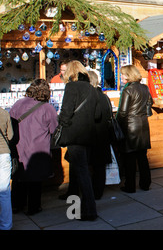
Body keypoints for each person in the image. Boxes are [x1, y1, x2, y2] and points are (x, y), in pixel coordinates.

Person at [58, 60, 100, 221]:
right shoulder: (91, 88)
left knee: (81, 173)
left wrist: (64, 123)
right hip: (88, 134)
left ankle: (89, 211)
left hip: (74, 135)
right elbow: (96, 115)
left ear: (70, 72)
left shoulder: (71, 87)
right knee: (81, 171)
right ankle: (76, 206)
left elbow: (66, 112)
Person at [9, 79, 58, 215]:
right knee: (35, 181)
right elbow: (54, 129)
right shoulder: (47, 108)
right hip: (38, 149)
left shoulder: (18, 103)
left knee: (20, 178)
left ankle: (17, 205)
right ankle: (33, 207)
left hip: (20, 147)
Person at [116, 65, 152, 193]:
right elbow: (149, 108)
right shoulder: (144, 88)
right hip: (143, 125)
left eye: (123, 74)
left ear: (128, 75)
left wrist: (116, 124)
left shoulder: (128, 90)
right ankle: (145, 183)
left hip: (131, 127)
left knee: (129, 158)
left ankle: (130, 186)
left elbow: (123, 112)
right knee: (142, 157)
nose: (121, 77)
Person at [87, 71, 112, 199]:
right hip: (103, 135)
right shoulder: (104, 96)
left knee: (89, 166)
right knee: (100, 167)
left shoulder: (88, 97)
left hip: (92, 135)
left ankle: (92, 192)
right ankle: (98, 191)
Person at [0, 107, 13, 230]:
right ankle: (6, 225)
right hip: (4, 154)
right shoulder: (4, 113)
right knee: (4, 192)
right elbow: (10, 136)